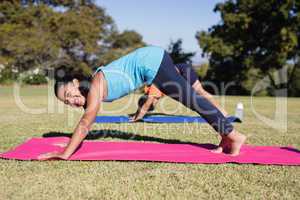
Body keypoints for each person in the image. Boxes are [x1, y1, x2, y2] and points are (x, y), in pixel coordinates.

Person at [38, 46, 246, 160]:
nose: (72, 101)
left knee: (193, 100)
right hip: (152, 62)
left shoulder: (94, 86)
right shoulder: (94, 84)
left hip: (151, 63)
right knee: (193, 99)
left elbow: (86, 123)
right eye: (67, 102)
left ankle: (234, 136)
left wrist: (65, 153)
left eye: (69, 94)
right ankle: (225, 138)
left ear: (75, 82)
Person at [131, 63, 228, 121]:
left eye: (152, 105)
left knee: (200, 92)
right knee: (198, 94)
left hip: (183, 71)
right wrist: (138, 113)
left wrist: (138, 117)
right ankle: (220, 112)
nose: (155, 103)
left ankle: (222, 112)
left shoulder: (153, 88)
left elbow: (147, 102)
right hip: (181, 71)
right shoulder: (150, 92)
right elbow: (145, 103)